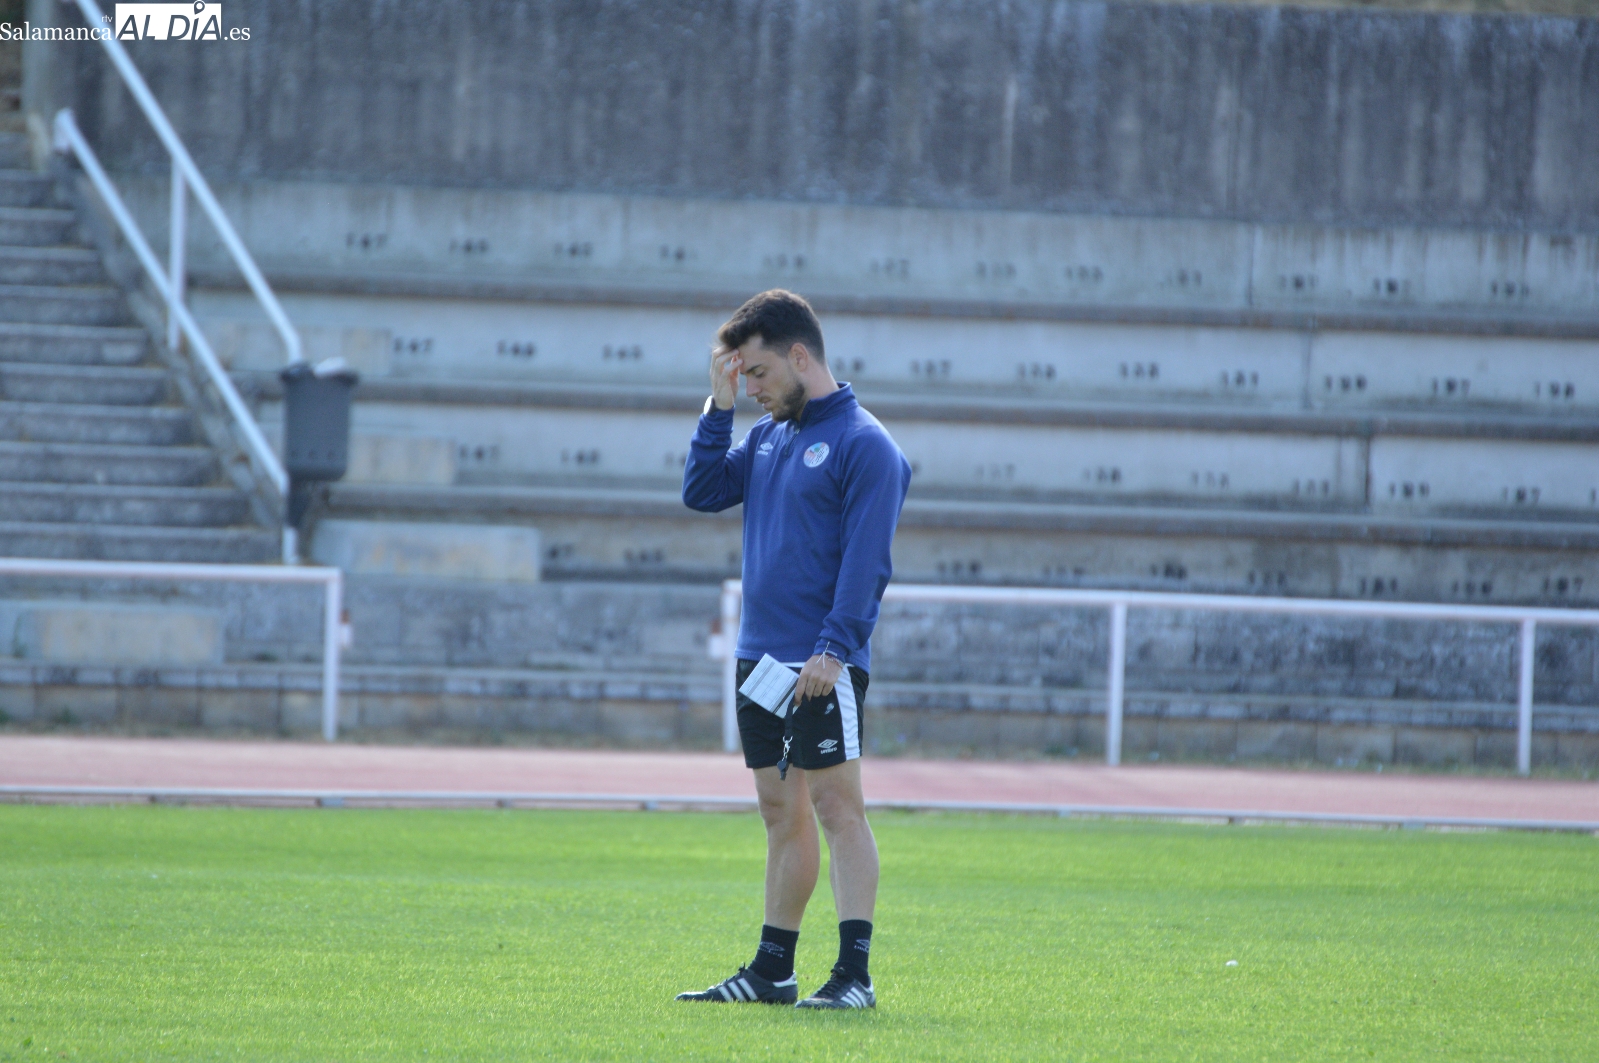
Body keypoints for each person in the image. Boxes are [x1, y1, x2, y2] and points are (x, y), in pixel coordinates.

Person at [676, 289, 912, 1010]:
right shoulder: (768, 436)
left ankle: (854, 976)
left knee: (839, 808)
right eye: (743, 377)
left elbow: (868, 563)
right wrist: (717, 408)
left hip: (820, 664)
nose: (751, 388)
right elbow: (701, 490)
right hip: (761, 659)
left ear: (799, 355)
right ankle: (772, 971)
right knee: (780, 812)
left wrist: (834, 649)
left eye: (757, 373)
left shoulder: (866, 444)